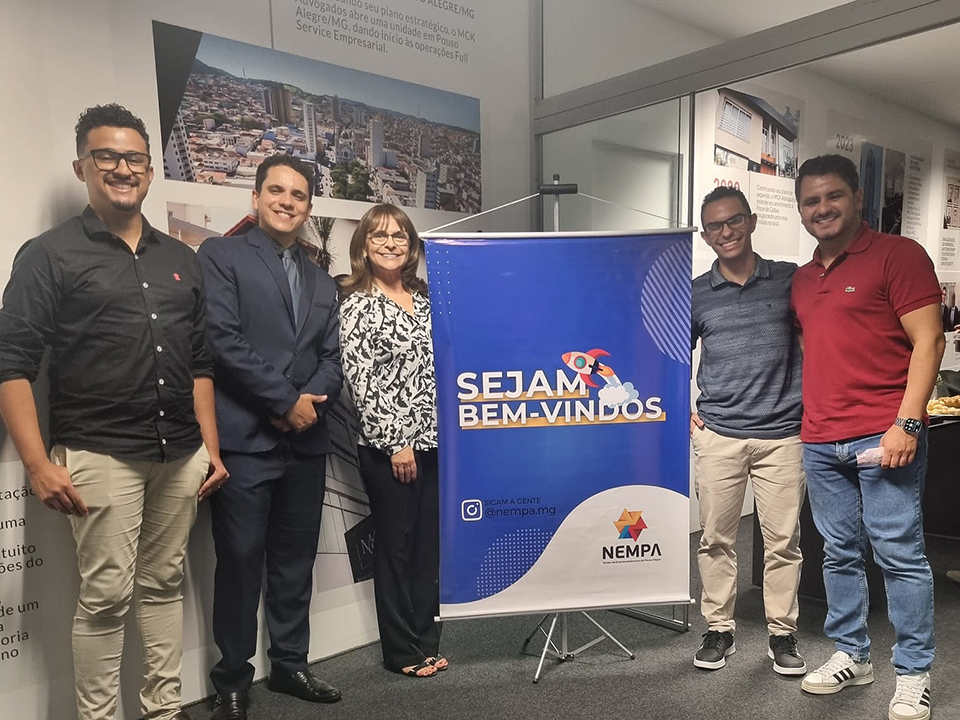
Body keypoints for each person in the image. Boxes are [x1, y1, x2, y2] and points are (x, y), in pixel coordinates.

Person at [0, 104, 228, 720]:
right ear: (82, 166)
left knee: (163, 585)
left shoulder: (180, 257)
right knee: (104, 599)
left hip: (180, 453)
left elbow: (200, 363)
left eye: (134, 159)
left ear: (150, 171)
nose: (122, 169)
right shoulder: (48, 255)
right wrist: (36, 463)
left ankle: (163, 711)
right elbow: (12, 363)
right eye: (107, 156)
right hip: (99, 452)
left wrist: (210, 448)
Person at [791, 154, 943, 720]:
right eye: (811, 201)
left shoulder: (899, 256)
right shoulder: (803, 278)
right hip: (820, 439)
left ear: (857, 198)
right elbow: (814, 349)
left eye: (833, 196)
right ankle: (853, 655)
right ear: (801, 210)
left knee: (899, 555)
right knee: (838, 553)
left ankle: (913, 672)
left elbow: (930, 341)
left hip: (884, 435)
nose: (822, 208)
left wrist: (908, 422)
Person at [197, 155, 343, 720]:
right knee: (239, 561)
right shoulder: (222, 255)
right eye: (276, 191)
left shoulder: (321, 279)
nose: (287, 202)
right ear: (255, 198)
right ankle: (232, 679)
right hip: (246, 440)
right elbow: (222, 340)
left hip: (305, 445)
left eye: (298, 195)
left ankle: (290, 665)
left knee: (294, 559)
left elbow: (332, 360)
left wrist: (305, 405)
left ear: (308, 207)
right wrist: (285, 402)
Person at [690, 186, 806, 676]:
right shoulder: (696, 292)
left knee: (783, 543)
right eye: (715, 226)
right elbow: (667, 354)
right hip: (719, 433)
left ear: (752, 221)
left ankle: (782, 633)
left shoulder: (790, 280)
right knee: (716, 538)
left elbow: (819, 340)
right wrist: (681, 408)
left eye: (734, 220)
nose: (726, 232)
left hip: (783, 434)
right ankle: (719, 629)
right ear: (705, 235)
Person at [339, 204, 444, 679]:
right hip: (390, 449)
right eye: (379, 236)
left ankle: (427, 640)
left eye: (399, 235)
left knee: (426, 548)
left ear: (411, 245)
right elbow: (361, 381)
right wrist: (397, 442)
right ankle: (402, 651)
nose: (390, 243)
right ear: (363, 246)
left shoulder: (424, 299)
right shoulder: (357, 304)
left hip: (434, 443)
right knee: (396, 548)